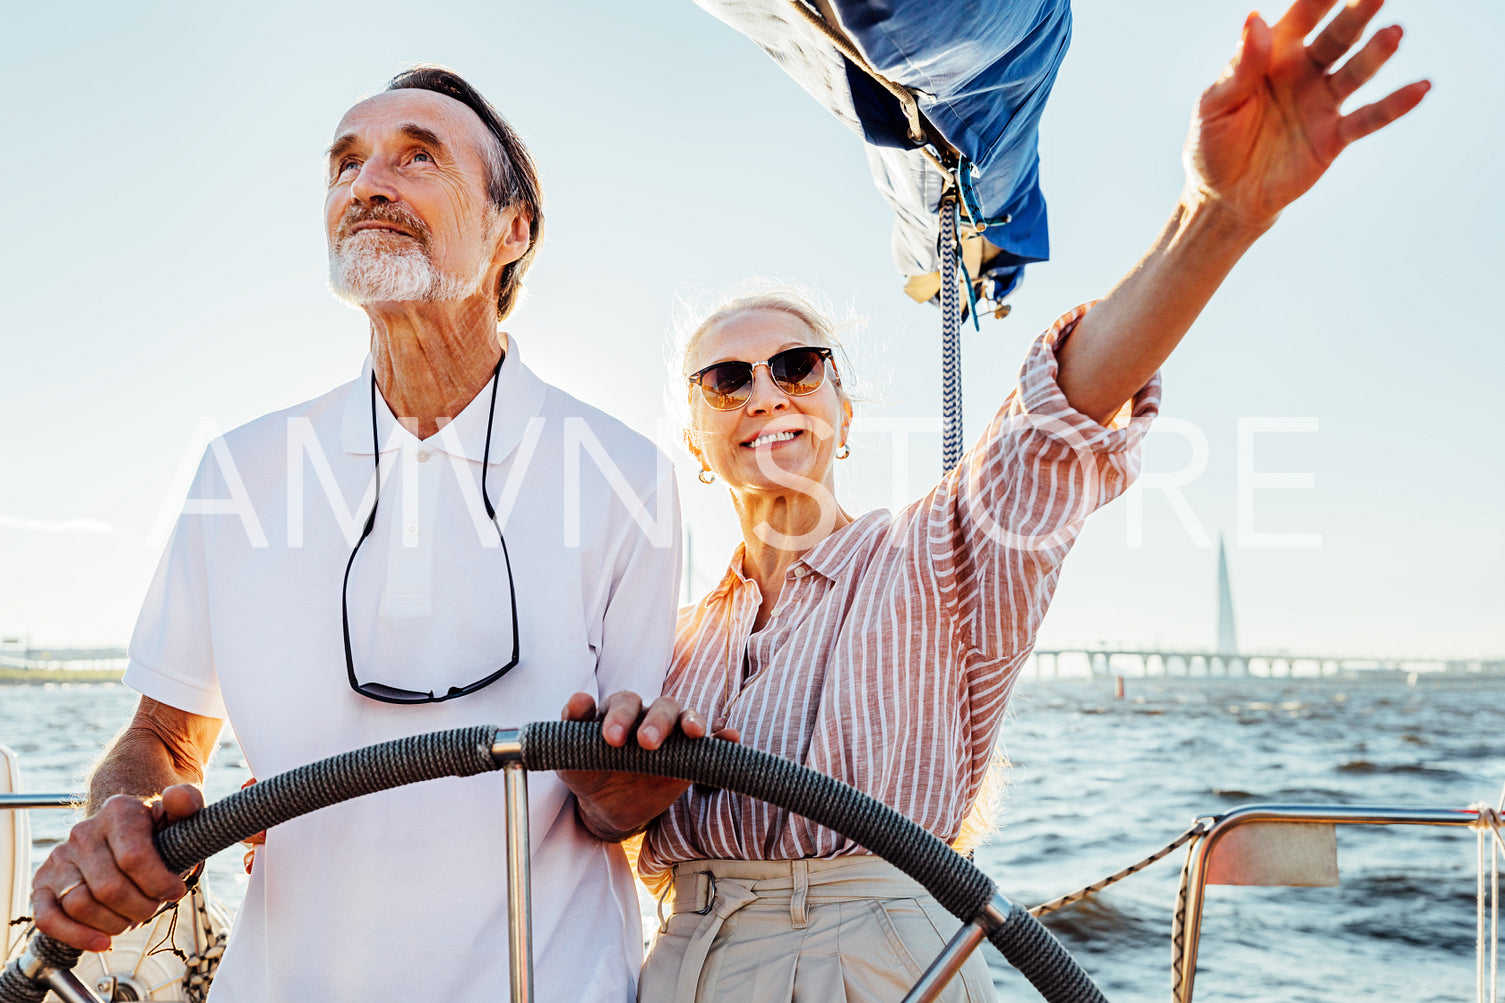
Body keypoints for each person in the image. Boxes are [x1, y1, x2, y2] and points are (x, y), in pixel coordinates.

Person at [565, 2, 1431, 1000]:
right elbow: (600, 818)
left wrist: (1217, 214)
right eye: (727, 380)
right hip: (685, 962)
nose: (765, 392)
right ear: (695, 440)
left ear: (844, 413)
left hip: (878, 961)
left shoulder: (945, 550)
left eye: (797, 365)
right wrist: (610, 785)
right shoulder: (658, 637)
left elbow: (1061, 402)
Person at [30, 66, 691, 1002]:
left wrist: (620, 777)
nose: (365, 182)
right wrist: (121, 822)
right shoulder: (241, 470)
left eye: (418, 156)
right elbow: (164, 740)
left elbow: (621, 799)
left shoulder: (625, 476)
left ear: (515, 233)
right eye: (344, 162)